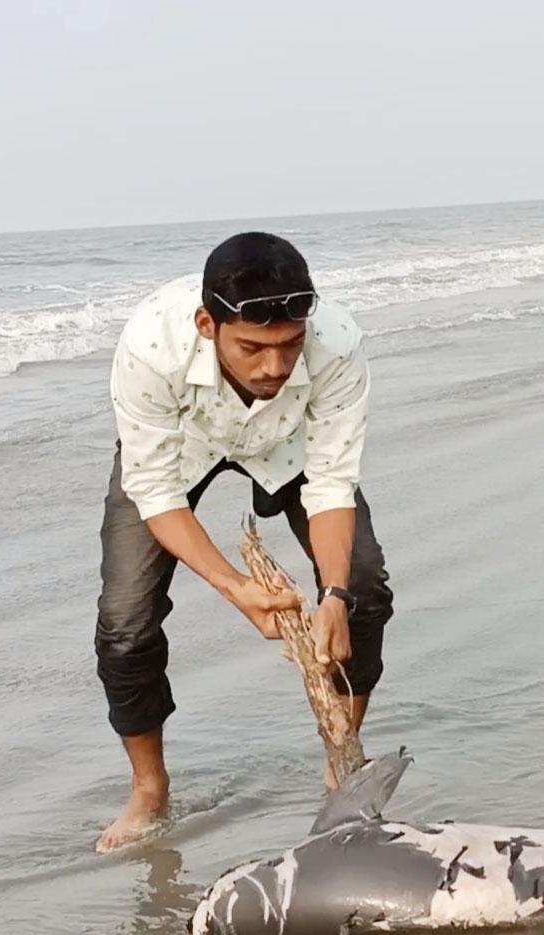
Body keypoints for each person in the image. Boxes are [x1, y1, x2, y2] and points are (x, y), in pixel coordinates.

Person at [93, 232, 394, 852]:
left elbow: (333, 482)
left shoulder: (337, 341)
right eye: (252, 348)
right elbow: (152, 490)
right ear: (208, 323)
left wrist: (332, 595)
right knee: (124, 621)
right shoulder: (151, 344)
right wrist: (235, 587)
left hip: (292, 448)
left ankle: (340, 762)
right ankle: (149, 789)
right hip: (179, 453)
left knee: (363, 588)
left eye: (288, 347)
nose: (274, 368)